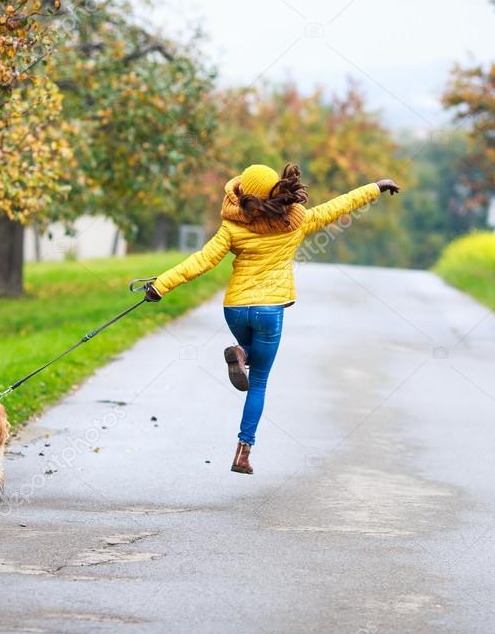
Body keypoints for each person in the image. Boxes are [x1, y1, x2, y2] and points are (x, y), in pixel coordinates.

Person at [143, 163, 400, 474]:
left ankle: (241, 352)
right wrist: (376, 186)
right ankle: (243, 453)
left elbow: (201, 261)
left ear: (243, 194)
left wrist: (160, 286)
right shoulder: (297, 221)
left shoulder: (231, 228)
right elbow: (338, 206)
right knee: (259, 381)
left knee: (251, 358)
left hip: (236, 308)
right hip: (270, 310)